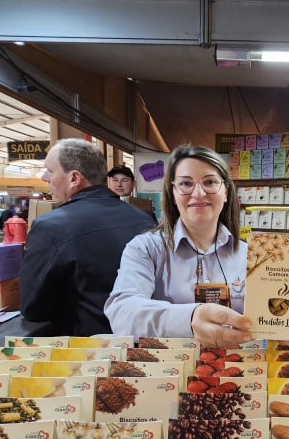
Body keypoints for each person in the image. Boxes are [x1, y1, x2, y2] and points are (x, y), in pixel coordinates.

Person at [105, 145, 252, 348]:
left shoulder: (251, 255)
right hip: (168, 374)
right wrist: (189, 319)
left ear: (226, 192)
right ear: (172, 194)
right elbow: (122, 313)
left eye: (210, 182)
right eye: (185, 183)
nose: (199, 194)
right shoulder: (145, 249)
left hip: (236, 371)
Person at [20, 138, 155, 336]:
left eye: (50, 170)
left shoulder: (51, 227)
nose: (44, 177)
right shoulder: (144, 219)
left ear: (74, 178)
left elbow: (33, 308)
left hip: (91, 350)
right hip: (145, 341)